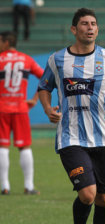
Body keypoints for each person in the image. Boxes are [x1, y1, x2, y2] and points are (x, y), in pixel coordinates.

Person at [38, 8, 105, 224]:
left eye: (93, 24)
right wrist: (47, 108)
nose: (90, 27)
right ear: (74, 29)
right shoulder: (58, 59)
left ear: (97, 29)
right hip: (70, 137)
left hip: (101, 137)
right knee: (88, 193)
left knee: (104, 197)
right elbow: (44, 87)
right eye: (84, 23)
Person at [0, 31, 43, 195]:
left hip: (2, 107)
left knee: (2, 146)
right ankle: (29, 186)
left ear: (5, 42)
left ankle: (5, 186)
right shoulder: (26, 59)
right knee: (24, 146)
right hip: (20, 108)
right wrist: (35, 98)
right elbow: (45, 77)